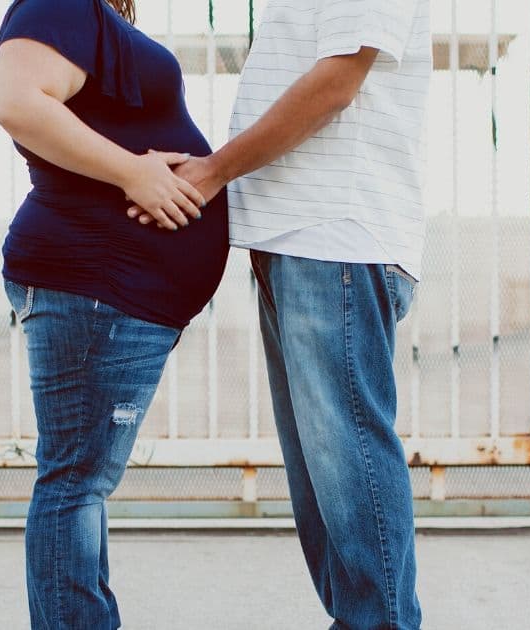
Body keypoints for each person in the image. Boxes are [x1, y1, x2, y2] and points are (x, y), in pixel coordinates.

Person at [130, 1, 431, 627]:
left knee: (348, 466)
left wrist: (212, 172)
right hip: (299, 242)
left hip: (333, 240)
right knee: (323, 486)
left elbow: (335, 85)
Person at [0, 0, 229, 627]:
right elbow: (17, 101)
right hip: (94, 286)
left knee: (79, 485)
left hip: (109, 292)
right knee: (74, 485)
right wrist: (132, 174)